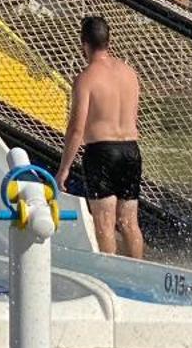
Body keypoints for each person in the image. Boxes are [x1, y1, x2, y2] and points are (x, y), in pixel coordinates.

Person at [54, 15, 144, 258]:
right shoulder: (129, 73)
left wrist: (64, 169)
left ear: (84, 44)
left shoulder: (86, 78)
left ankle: (111, 278)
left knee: (104, 223)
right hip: (131, 151)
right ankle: (139, 272)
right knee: (129, 223)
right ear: (108, 41)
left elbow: (76, 129)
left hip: (102, 153)